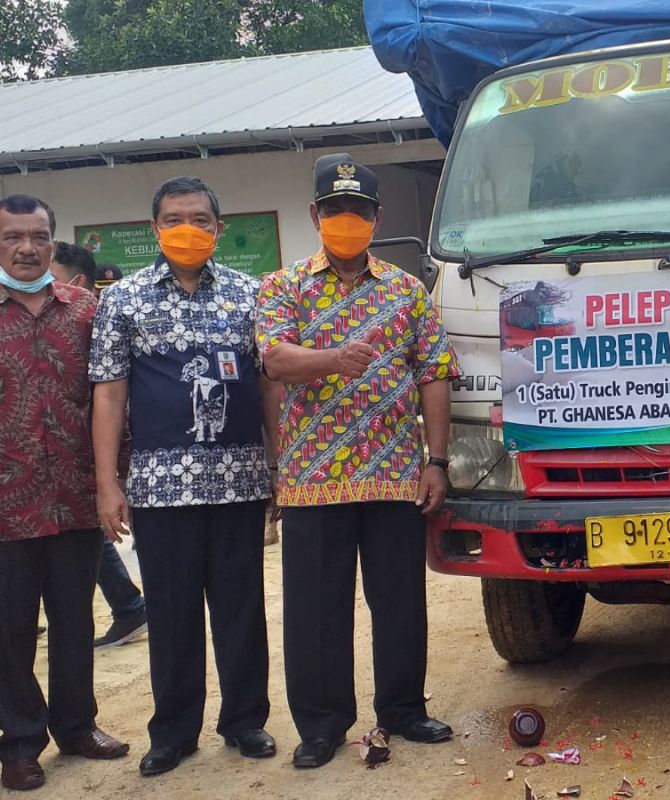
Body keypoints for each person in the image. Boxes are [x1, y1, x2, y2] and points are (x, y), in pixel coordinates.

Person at [256, 153, 460, 769]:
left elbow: (435, 374)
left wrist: (438, 460)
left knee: (399, 599)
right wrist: (334, 359)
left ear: (376, 216)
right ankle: (321, 726)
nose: (349, 219)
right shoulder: (283, 287)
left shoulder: (406, 291)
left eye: (361, 210)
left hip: (397, 474)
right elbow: (273, 360)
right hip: (313, 479)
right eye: (337, 209)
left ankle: (403, 709)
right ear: (316, 214)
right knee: (316, 609)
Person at [89, 176, 277, 777]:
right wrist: (107, 484)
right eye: (174, 219)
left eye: (200, 219)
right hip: (160, 486)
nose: (187, 229)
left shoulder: (253, 295)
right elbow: (110, 396)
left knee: (241, 606)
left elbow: (270, 384)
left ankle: (245, 721)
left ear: (220, 229)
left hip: (240, 479)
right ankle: (172, 732)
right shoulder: (124, 300)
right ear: (154, 230)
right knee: (171, 612)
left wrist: (281, 465)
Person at [0, 195, 129, 792]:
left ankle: (77, 725)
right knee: (10, 629)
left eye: (38, 235)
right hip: (6, 506)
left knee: (75, 620)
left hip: (76, 497)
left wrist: (116, 480)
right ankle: (20, 741)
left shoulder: (87, 311)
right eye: (12, 237)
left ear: (55, 241)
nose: (26, 248)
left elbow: (112, 400)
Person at [50, 243, 150, 650]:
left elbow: (112, 401)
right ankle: (128, 606)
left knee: (91, 534)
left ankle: (128, 606)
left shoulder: (101, 323)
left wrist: (115, 474)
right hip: (52, 459)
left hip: (91, 454)